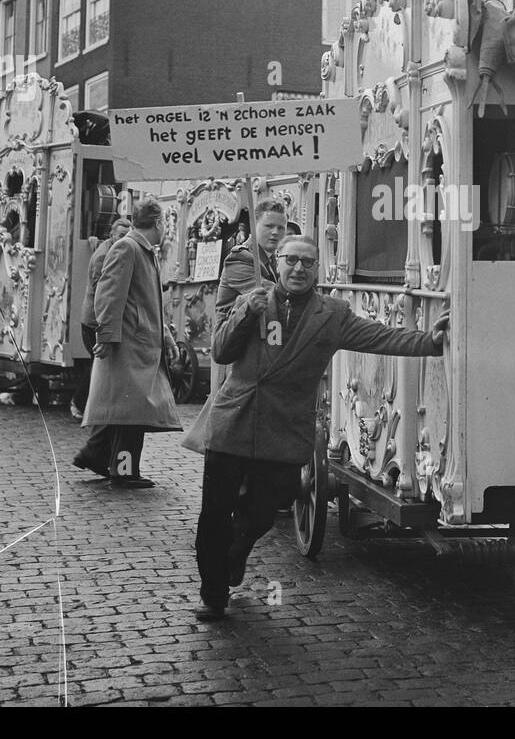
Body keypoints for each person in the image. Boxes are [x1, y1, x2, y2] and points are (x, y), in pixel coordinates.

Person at [188, 233, 450, 620]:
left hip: (284, 425)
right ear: (276, 263)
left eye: (307, 262)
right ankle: (213, 594)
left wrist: (429, 340)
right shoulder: (253, 300)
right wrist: (246, 313)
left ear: (318, 269)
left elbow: (379, 336)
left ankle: (238, 544)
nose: (298, 269)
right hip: (236, 420)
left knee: (270, 503)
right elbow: (222, 351)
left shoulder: (332, 314)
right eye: (290, 260)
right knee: (214, 512)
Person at [78, 196, 181, 488]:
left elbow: (150, 302)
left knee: (131, 412)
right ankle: (123, 473)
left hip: (139, 342)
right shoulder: (129, 247)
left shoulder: (142, 249)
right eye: (166, 223)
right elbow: (109, 295)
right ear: (158, 222)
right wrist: (108, 337)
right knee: (129, 414)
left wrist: (166, 335)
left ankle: (105, 461)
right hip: (130, 344)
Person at [71, 217, 131, 421]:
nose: (125, 239)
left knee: (101, 364)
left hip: (100, 317)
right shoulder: (102, 257)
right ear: (113, 235)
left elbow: (96, 243)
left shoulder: (111, 247)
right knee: (97, 364)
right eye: (122, 235)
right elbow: (100, 293)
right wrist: (105, 322)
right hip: (93, 319)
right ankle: (79, 403)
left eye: (127, 236)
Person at [214, 199, 287, 326]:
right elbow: (275, 297)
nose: (275, 232)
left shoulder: (272, 259)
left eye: (280, 228)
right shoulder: (240, 258)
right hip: (235, 340)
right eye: (269, 226)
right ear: (253, 226)